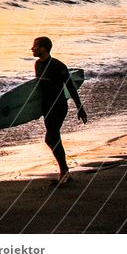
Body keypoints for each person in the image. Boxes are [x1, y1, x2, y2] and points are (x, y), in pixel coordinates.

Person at [31, 36, 87, 185]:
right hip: (47, 107)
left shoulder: (58, 66)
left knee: (51, 137)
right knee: (52, 137)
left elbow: (70, 86)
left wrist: (80, 107)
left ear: (43, 48)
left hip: (59, 106)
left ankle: (64, 171)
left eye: (35, 46)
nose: (32, 48)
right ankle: (64, 170)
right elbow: (39, 90)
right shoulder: (37, 64)